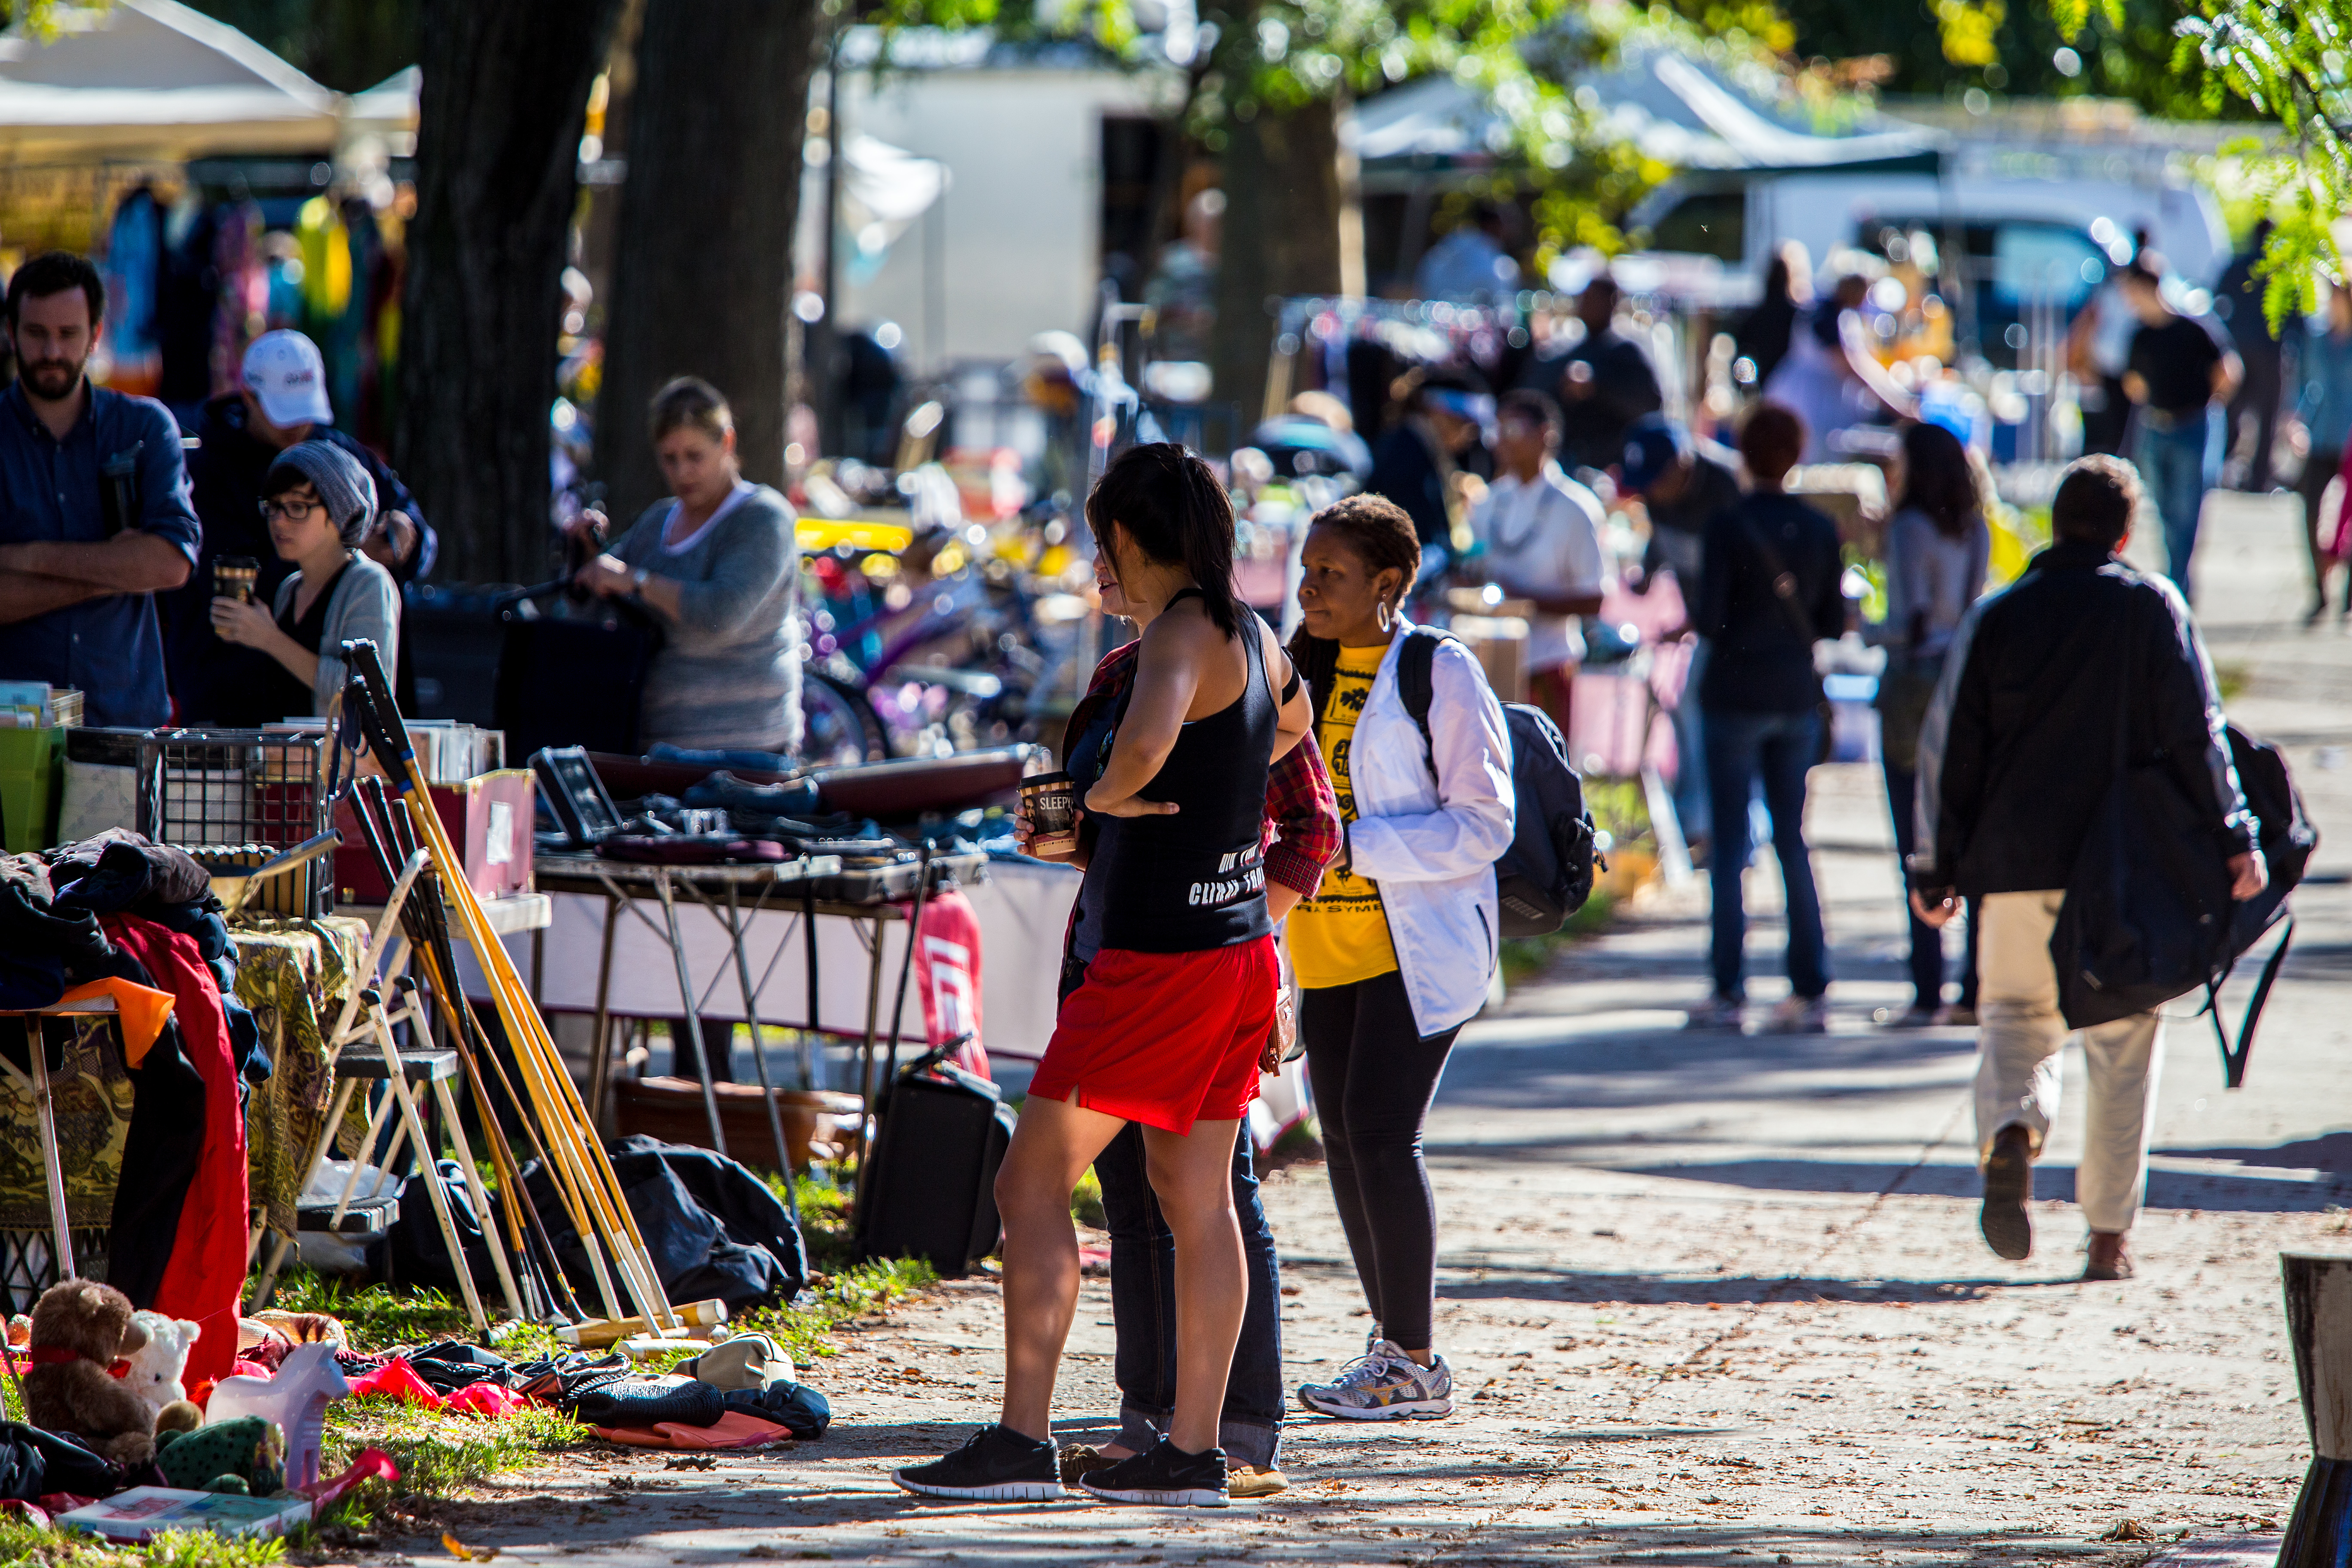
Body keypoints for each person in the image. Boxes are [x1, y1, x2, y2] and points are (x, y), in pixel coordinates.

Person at [894, 443, 1311, 1506]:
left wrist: (1111, 799)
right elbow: (1290, 732)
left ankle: (1021, 1443)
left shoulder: (1176, 635)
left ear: (1133, 537)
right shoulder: (1254, 635)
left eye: (1101, 541)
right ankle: (1193, 1452)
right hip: (1232, 954)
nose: (1095, 561)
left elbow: (1146, 741)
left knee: (1027, 1185)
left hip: (1156, 968)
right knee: (1198, 1202)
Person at [1909, 455, 2263, 1282]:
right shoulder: (2152, 609)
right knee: (2122, 1043)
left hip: (2010, 866)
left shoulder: (1996, 618)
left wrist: (1937, 865)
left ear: (2053, 525)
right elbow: (2196, 734)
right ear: (2124, 533)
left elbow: (1949, 747)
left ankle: (2009, 1129)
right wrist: (2234, 835)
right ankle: (2107, 1236)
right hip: (2122, 873)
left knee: (2011, 1021)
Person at [1047, 554, 1343, 1501]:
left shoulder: (1243, 656)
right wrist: (1069, 829)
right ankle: (1156, 1421)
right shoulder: (1118, 673)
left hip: (1201, 970)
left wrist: (1245, 928)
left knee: (1215, 1197)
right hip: (1112, 950)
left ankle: (1240, 1426)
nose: (1096, 566)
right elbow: (1115, 818)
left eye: (1108, 543)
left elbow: (1313, 828)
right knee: (1131, 1199)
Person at [1283, 494, 1514, 1422]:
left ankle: (1414, 1359)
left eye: (1331, 574)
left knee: (1381, 1132)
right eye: (1305, 569)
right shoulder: (1292, 663)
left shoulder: (1438, 671)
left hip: (1414, 950)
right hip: (1321, 946)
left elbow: (1484, 822)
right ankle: (1390, 1348)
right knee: (1342, 1139)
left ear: (1389, 584)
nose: (1309, 588)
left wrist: (1353, 847)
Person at [168, 329, 435, 724]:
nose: (297, 426)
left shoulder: (337, 451)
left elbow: (411, 524)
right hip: (227, 689)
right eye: (276, 508)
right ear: (249, 399)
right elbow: (223, 576)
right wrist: (334, 554)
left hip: (334, 737)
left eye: (299, 507)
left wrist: (403, 535)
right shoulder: (210, 472)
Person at [1686, 403, 1844, 1034]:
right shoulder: (1819, 527)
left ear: (1743, 454)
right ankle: (1810, 986)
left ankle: (1728, 989)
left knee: (1730, 846)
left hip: (1734, 694)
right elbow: (1833, 622)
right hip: (1794, 695)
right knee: (1791, 840)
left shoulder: (1726, 526)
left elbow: (1708, 618)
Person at [0, 251, 199, 728]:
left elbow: (171, 563)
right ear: (10, 332)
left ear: (96, 335)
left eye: (68, 335)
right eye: (36, 333)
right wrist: (118, 571)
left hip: (123, 720)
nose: (51, 352)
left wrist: (27, 559)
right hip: (10, 725)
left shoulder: (145, 426)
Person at [573, 377, 804, 756]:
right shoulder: (655, 523)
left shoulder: (764, 519)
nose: (682, 472)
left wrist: (636, 580)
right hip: (654, 752)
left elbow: (721, 614)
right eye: (670, 458)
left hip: (751, 760)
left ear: (727, 443)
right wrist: (586, 558)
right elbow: (598, 617)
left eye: (695, 456)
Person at [1871, 422, 1989, 1028]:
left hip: (1913, 684)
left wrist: (1854, 627)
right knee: (1962, 831)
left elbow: (1910, 623)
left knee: (1914, 837)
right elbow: (1968, 614)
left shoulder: (1908, 527)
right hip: (1963, 680)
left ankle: (1926, 988)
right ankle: (1971, 987)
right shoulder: (1976, 529)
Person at [1620, 414, 1745, 858]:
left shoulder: (1729, 487)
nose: (1651, 491)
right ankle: (1705, 826)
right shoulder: (1659, 497)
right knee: (1689, 714)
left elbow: (1742, 577)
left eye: (1657, 479)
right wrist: (1647, 573)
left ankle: (1719, 830)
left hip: (1742, 632)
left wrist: (1693, 625)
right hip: (1705, 627)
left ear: (1683, 464)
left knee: (1708, 716)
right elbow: (1662, 541)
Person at [205, 442, 400, 719]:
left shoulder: (369, 584)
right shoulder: (291, 588)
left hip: (340, 762)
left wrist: (270, 639)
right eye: (273, 507)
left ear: (339, 514)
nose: (279, 522)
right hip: (288, 761)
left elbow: (366, 695)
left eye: (297, 508)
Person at [1464, 389, 1608, 738]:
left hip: (1547, 664)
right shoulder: (1489, 501)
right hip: (1488, 659)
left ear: (1545, 434)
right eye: (1496, 431)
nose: (1500, 442)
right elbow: (1474, 567)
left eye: (1512, 430)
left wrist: (1522, 602)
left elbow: (1594, 600)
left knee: (1544, 776)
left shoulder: (1576, 507)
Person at [2120, 256, 2241, 604]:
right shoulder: (2140, 336)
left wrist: (2208, 402)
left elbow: (2229, 371)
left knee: (2187, 510)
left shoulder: (2195, 328)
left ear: (2149, 288)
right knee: (2161, 509)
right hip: (2155, 428)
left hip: (2192, 427)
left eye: (2132, 293)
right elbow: (2134, 384)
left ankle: (2178, 586)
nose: (2130, 302)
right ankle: (2175, 582)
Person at [1764, 273, 1917, 463]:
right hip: (1806, 405)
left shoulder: (1844, 315)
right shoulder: (1824, 316)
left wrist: (1900, 399)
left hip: (1823, 403)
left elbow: (1865, 365)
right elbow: (1854, 369)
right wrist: (1899, 407)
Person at [1520, 275, 1663, 473]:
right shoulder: (1566, 351)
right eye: (1584, 298)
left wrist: (1598, 387)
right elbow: (1531, 394)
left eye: (1593, 299)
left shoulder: (1626, 353)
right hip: (1568, 463)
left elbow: (1650, 405)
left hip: (1614, 467)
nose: (1585, 305)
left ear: (1611, 303)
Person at [1364, 366, 1490, 556]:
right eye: (1464, 422)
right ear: (1437, 412)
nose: (1471, 433)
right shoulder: (1405, 455)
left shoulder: (1417, 448)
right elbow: (1421, 538)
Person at [2215, 218, 2286, 493]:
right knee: (2266, 418)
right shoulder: (2281, 270)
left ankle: (2222, 470)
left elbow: (2217, 301)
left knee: (2231, 413)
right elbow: (2298, 319)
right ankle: (2258, 481)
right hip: (2270, 352)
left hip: (2239, 349)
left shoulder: (2237, 265)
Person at [2294, 284, 2352, 621]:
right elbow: (2303, 383)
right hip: (2319, 436)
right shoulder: (2316, 339)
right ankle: (2319, 589)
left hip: (2350, 442)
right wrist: (2295, 421)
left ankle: (2349, 591)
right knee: (2311, 512)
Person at [2067, 230, 2151, 459]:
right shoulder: (2113, 288)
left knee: (2127, 433)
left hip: (2128, 368)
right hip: (2108, 367)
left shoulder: (2125, 289)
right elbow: (2092, 321)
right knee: (2105, 432)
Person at [1733, 242, 1810, 391]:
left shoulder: (1753, 317)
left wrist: (1747, 387)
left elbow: (1741, 357)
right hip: (1791, 390)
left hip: (1766, 388)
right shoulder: (1798, 317)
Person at [1412, 203, 1519, 303]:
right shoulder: (1500, 264)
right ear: (1494, 225)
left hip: (1434, 313)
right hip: (1476, 319)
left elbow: (1425, 278)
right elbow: (1503, 303)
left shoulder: (1451, 243)